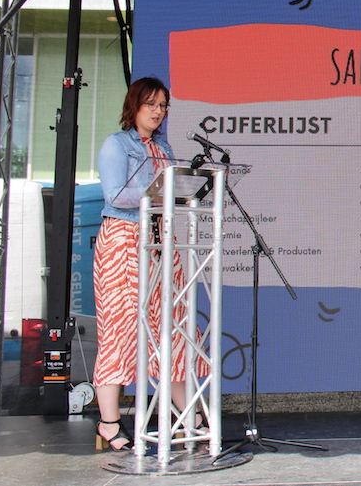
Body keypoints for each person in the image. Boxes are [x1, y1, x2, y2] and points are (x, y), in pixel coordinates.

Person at [93, 77, 206, 450]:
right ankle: (109, 424)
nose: (158, 111)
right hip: (124, 241)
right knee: (121, 327)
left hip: (161, 240)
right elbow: (115, 195)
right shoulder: (117, 144)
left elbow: (173, 191)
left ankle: (189, 415)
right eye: (151, 104)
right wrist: (158, 193)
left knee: (174, 328)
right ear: (134, 106)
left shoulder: (163, 147)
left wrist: (181, 190)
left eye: (163, 105)